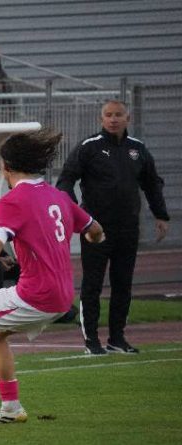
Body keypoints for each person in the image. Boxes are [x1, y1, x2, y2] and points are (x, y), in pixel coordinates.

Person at [0, 128, 105, 425]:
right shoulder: (58, 196)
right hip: (62, 295)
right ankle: (11, 407)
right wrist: (94, 240)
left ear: (6, 166)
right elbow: (95, 229)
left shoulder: (13, 201)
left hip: (35, 294)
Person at [56, 100, 170, 355]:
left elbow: (152, 183)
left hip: (128, 228)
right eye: (108, 115)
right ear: (101, 119)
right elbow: (65, 180)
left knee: (123, 284)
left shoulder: (137, 149)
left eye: (118, 115)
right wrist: (76, 215)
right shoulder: (89, 147)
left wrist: (161, 215)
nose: (113, 119)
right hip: (96, 229)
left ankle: (117, 338)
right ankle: (91, 341)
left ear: (127, 118)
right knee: (93, 284)